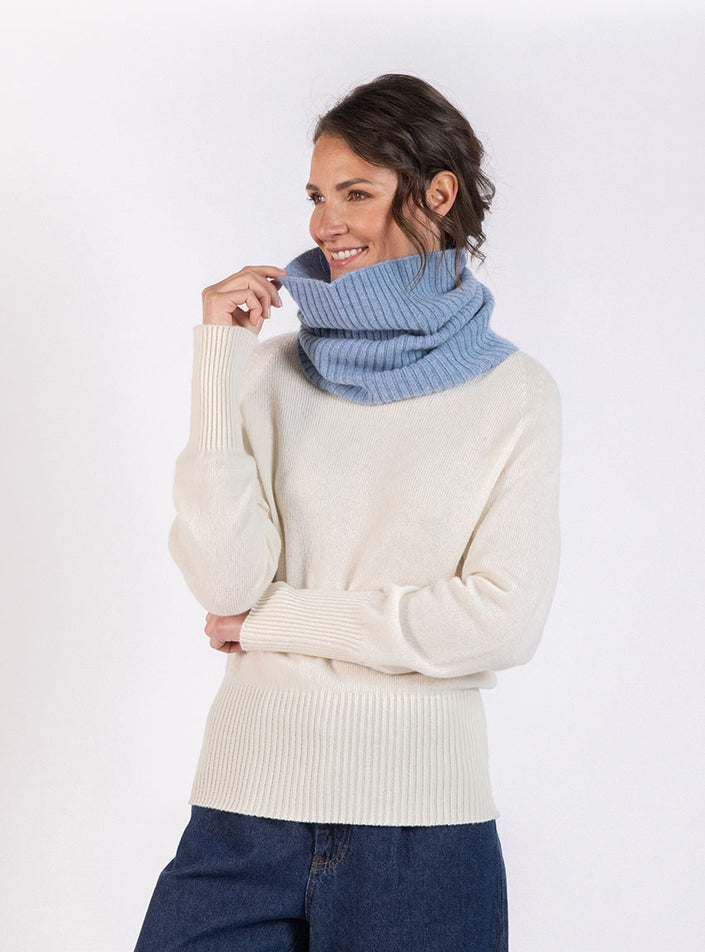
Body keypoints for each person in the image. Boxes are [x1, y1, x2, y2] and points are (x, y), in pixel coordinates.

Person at [133, 72, 562, 952]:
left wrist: (274, 621)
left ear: (436, 194)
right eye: (316, 197)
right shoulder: (263, 373)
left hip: (423, 833)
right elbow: (224, 583)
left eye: (355, 193)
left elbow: (500, 621)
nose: (324, 223)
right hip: (241, 814)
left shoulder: (513, 392)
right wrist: (217, 360)